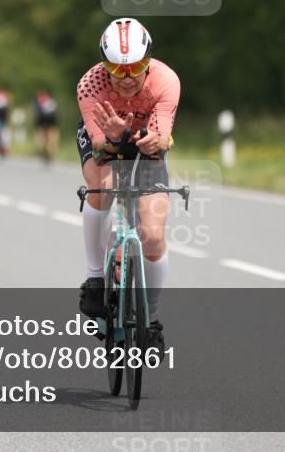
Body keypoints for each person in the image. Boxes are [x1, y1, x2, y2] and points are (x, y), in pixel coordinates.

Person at [75, 18, 180, 358]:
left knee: (151, 237)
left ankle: (152, 318)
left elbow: (162, 139)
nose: (128, 77)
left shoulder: (166, 81)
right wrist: (115, 136)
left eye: (136, 67)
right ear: (104, 68)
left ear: (148, 61)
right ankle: (94, 278)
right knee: (102, 186)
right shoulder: (90, 85)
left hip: (146, 142)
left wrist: (149, 142)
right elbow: (102, 148)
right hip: (106, 139)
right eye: (117, 70)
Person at [33, 88, 59, 165]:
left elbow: (36, 115)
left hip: (43, 125)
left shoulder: (38, 102)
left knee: (43, 142)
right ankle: (48, 154)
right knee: (49, 142)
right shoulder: (51, 102)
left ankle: (47, 154)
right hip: (49, 125)